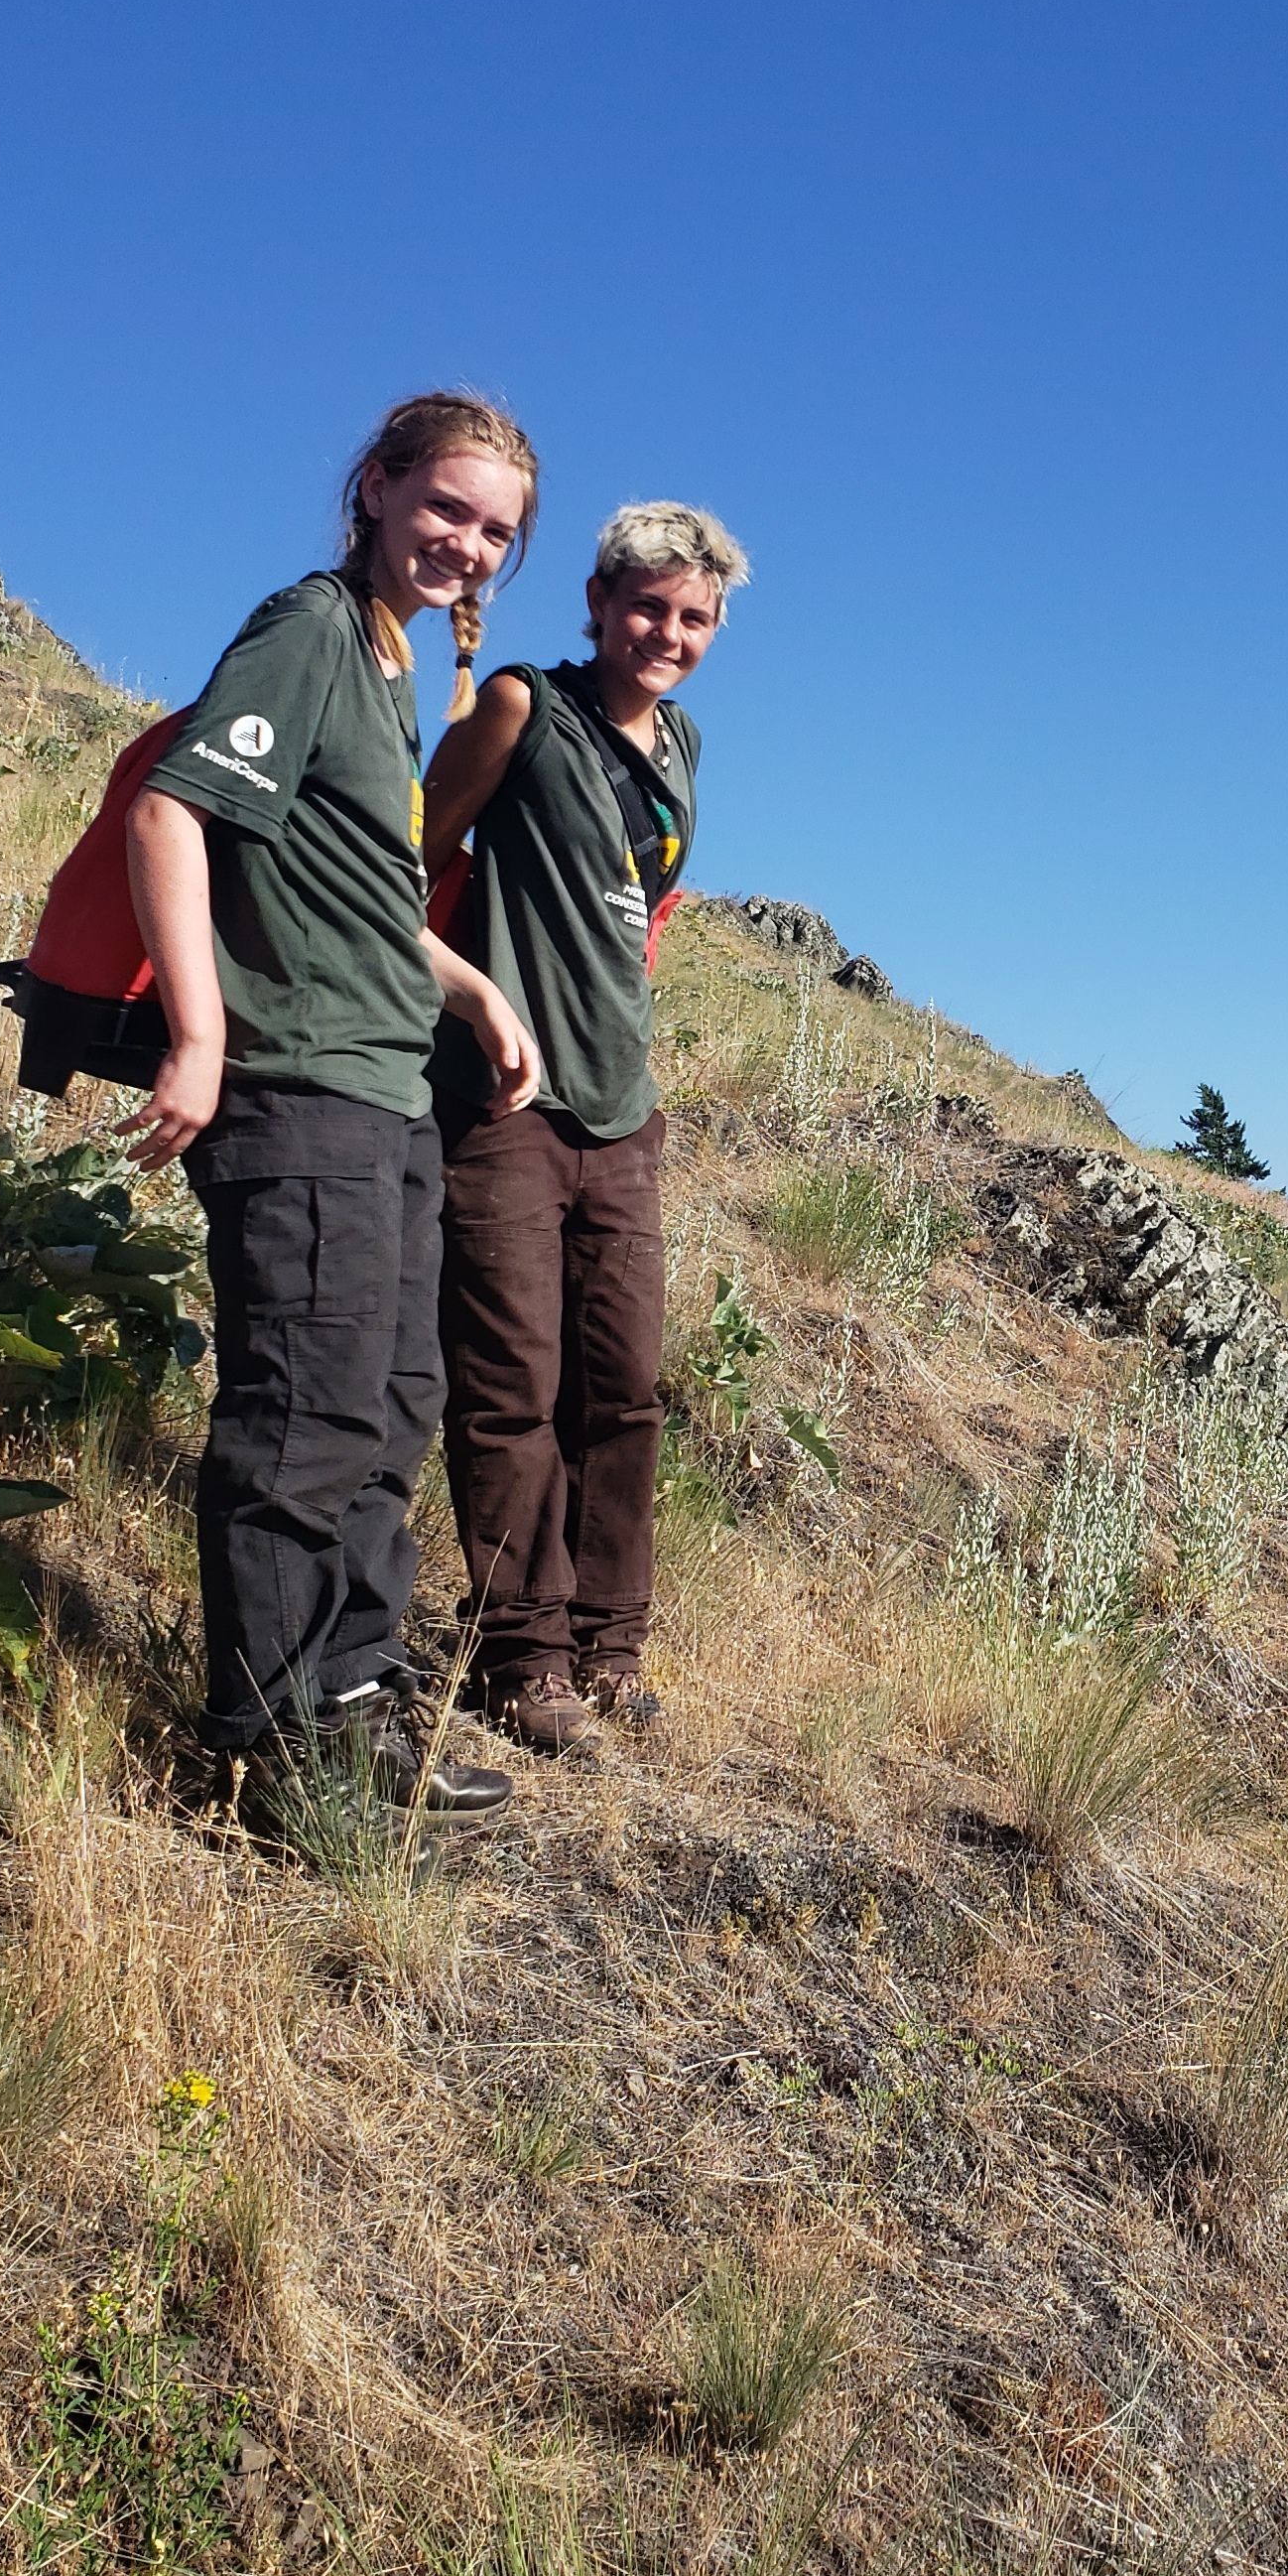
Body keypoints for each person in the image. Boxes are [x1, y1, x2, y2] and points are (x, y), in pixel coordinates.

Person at [120, 394, 549, 1820]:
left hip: (387, 1089)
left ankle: (352, 1704)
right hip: (297, 1085)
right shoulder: (308, 628)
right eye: (444, 508)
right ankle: (271, 1752)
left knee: (389, 1406)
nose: (465, 544)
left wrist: (473, 993)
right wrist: (197, 1030)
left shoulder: (391, 662)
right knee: (304, 1418)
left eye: (494, 531)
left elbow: (358, 885)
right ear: (374, 487)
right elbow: (173, 812)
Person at [420, 501, 743, 1754]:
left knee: (624, 1393)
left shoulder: (685, 748)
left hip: (623, 1111)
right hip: (504, 1104)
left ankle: (612, 1645)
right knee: (512, 1388)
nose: (668, 631)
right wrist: (477, 996)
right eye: (648, 605)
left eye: (695, 616)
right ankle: (524, 1656)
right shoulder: (521, 706)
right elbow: (406, 859)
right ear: (600, 603)